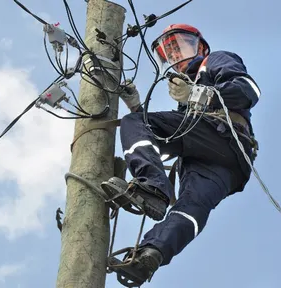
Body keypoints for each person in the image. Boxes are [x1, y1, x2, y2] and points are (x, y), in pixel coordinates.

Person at [102, 23, 261, 283]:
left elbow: (248, 91)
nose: (175, 55)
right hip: (225, 164)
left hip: (224, 135)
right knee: (191, 206)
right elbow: (165, 138)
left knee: (135, 125)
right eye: (169, 52)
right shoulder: (185, 102)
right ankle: (151, 255)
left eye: (179, 45)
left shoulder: (214, 60)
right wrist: (135, 105)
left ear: (199, 45)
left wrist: (197, 93)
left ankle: (153, 188)